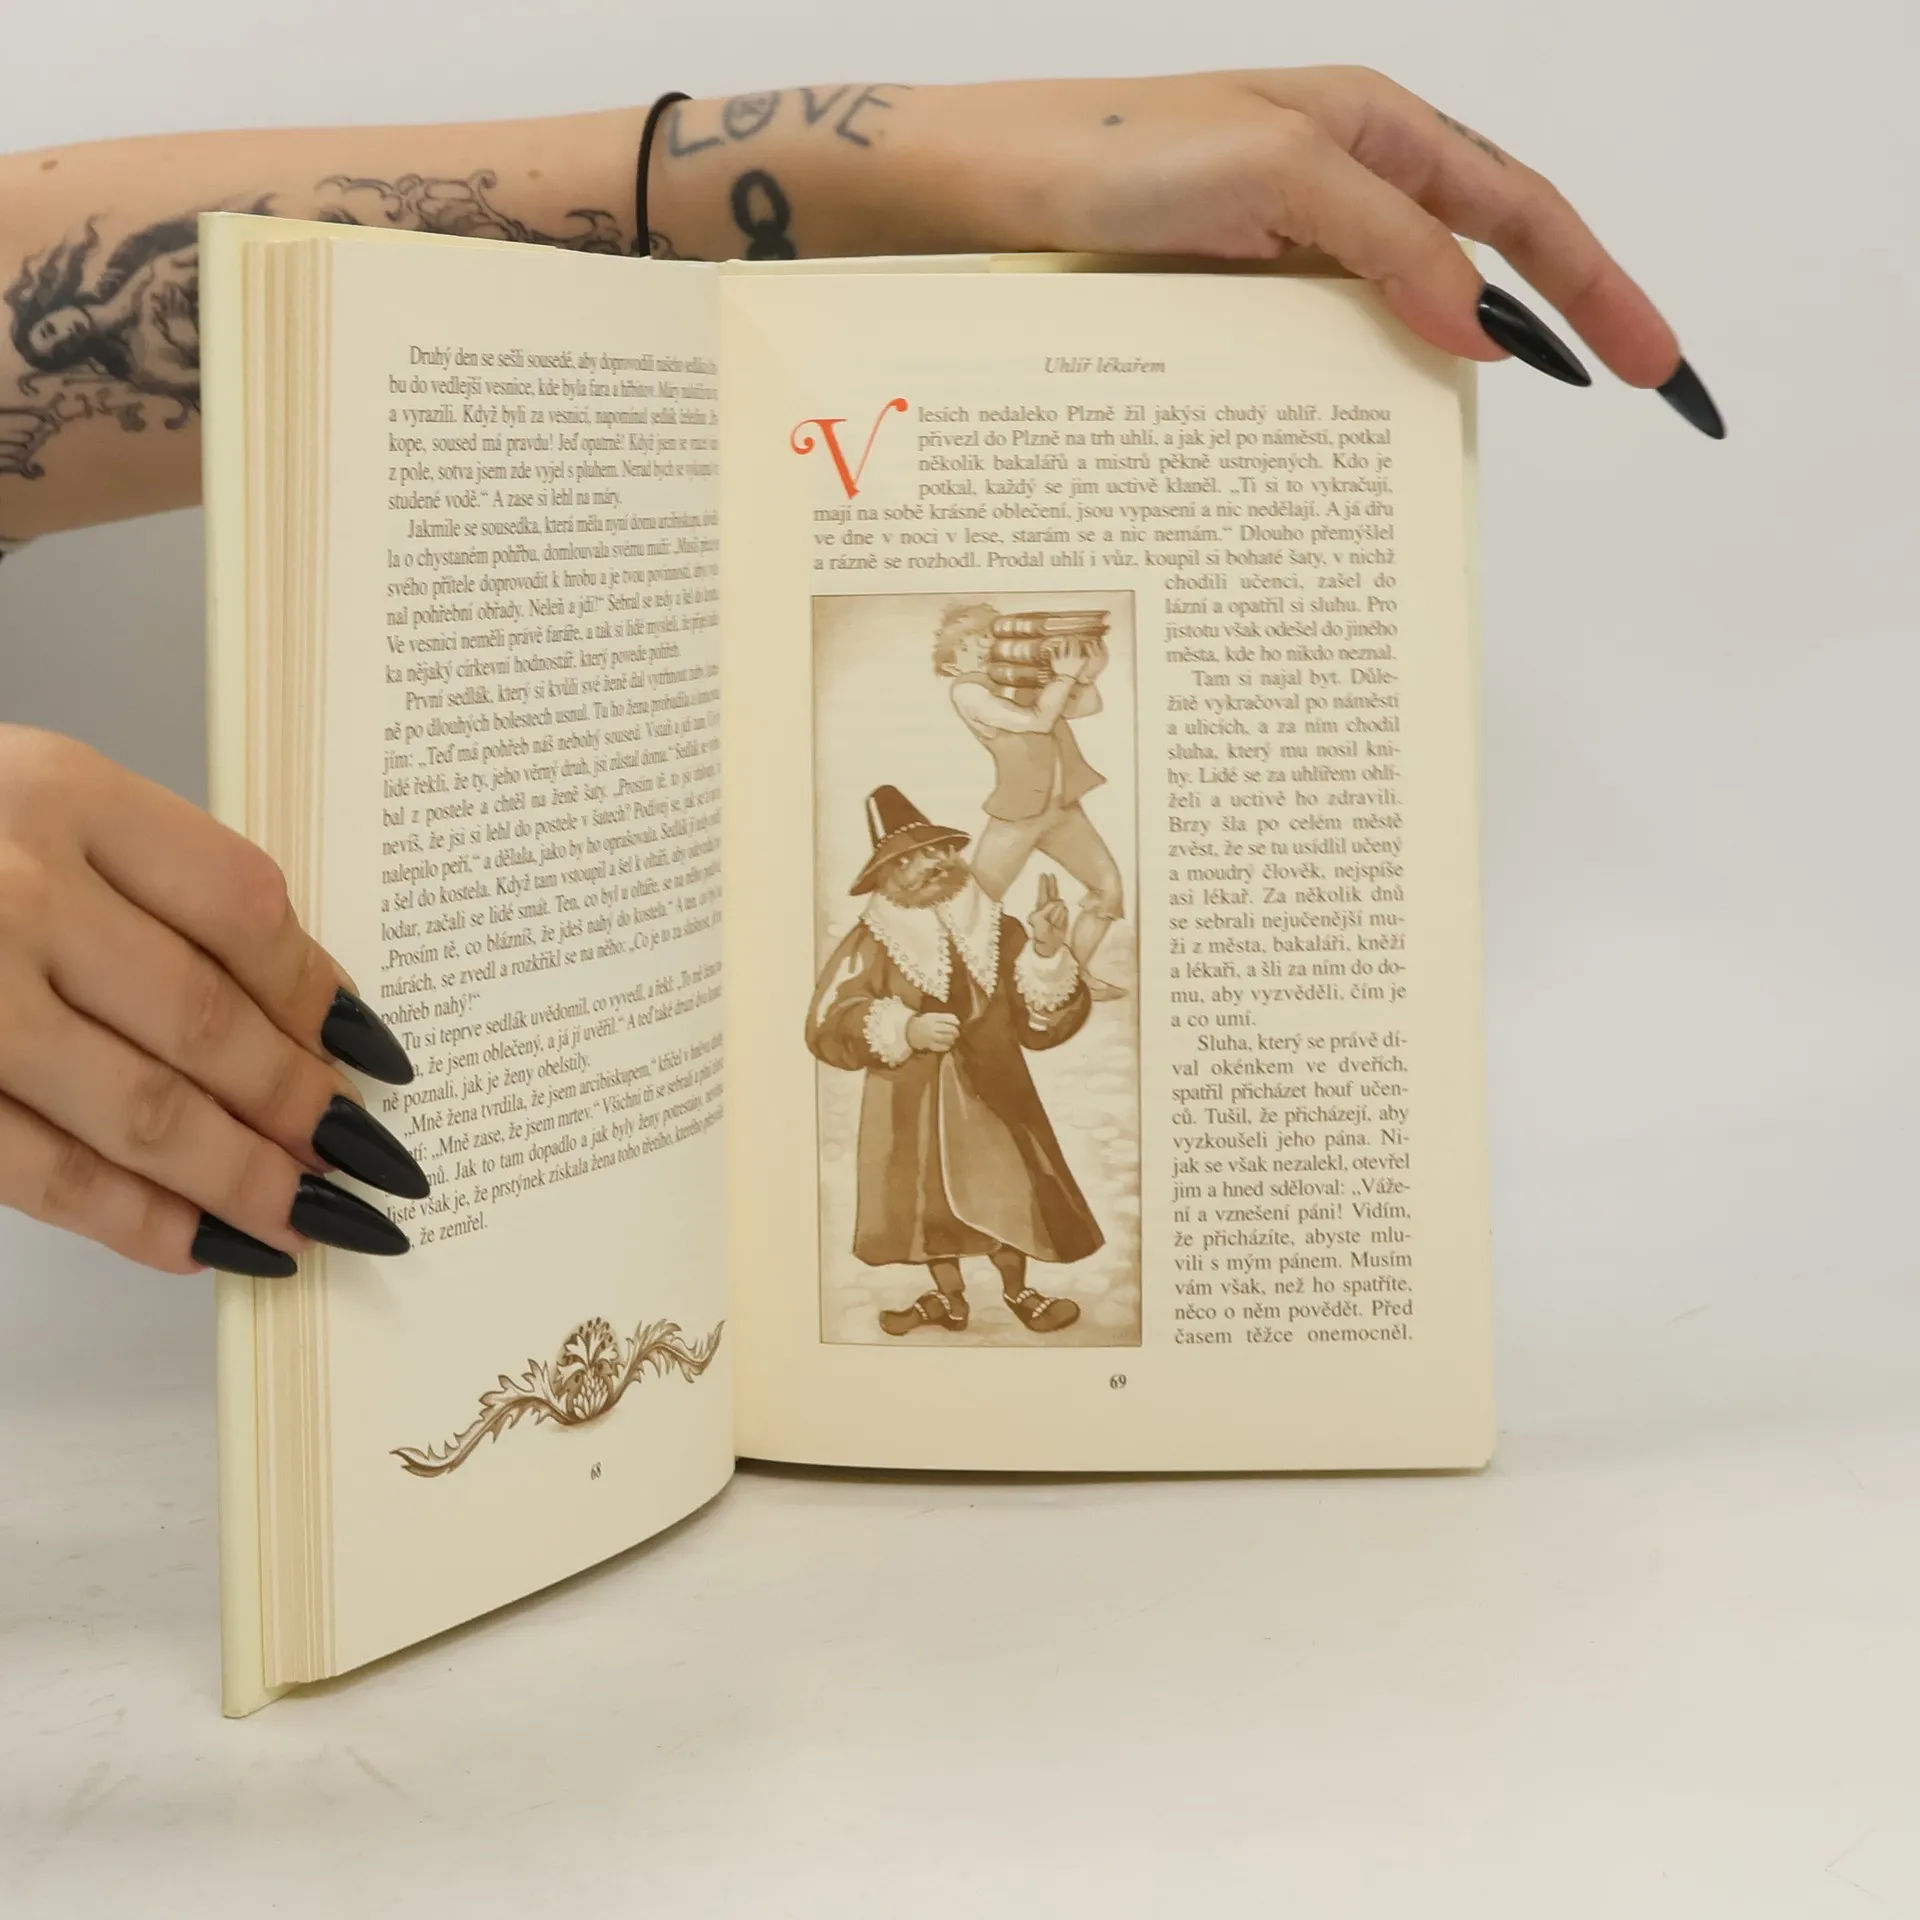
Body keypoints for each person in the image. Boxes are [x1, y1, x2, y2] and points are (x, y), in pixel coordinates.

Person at [0, 68, 1722, 1282]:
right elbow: (845, 1017)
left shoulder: (984, 876)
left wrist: (879, 167)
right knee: (920, 1194)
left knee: (1011, 1182)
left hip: (979, 1079)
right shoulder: (896, 917)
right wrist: (899, 1011)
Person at [806, 786, 1102, 1335]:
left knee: (1009, 1186)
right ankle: (950, 1298)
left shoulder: (995, 928)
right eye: (909, 859)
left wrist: (1044, 951)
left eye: (936, 851)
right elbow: (830, 1019)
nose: (931, 865)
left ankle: (1018, 1290)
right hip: (911, 1097)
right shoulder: (873, 940)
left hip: (993, 1089)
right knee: (927, 1200)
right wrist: (905, 1028)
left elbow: (1037, 1022)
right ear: (887, 875)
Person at [934, 605, 1127, 996]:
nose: (984, 648)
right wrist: (1066, 677)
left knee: (1108, 888)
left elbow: (1087, 706)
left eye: (987, 638)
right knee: (976, 904)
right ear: (952, 664)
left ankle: (1070, 979)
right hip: (1017, 815)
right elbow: (1038, 721)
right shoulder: (968, 691)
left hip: (1062, 810)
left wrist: (1087, 674)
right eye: (969, 646)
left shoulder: (1024, 680)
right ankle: (950, 987)